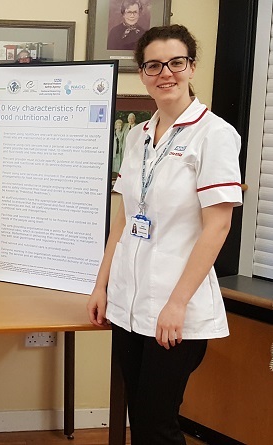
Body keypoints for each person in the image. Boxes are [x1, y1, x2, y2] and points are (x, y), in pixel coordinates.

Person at [87, 24, 242, 444]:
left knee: (158, 424)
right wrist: (102, 285)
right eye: (153, 65)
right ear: (142, 73)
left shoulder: (215, 135)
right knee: (140, 416)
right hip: (129, 302)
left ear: (191, 67)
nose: (166, 73)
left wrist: (176, 304)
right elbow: (123, 216)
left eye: (176, 62)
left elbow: (219, 225)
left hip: (175, 309)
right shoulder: (137, 134)